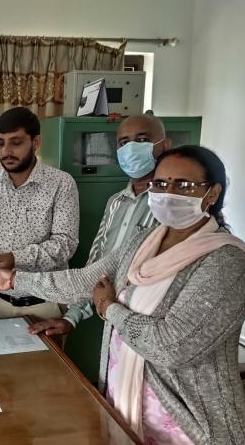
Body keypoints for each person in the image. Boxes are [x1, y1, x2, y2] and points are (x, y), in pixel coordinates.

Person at [0, 145, 245, 444]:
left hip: (191, 425)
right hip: (127, 405)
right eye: (161, 183)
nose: (168, 193)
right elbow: (83, 281)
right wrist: (15, 279)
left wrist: (110, 308)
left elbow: (171, 347)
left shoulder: (225, 262)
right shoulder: (144, 241)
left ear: (212, 193)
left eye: (183, 185)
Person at [29, 114, 169, 338]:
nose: (131, 149)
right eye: (124, 143)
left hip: (151, 326)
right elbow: (96, 269)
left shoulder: (170, 206)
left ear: (165, 145)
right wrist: (71, 318)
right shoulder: (115, 202)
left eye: (142, 140)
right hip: (111, 324)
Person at [0, 106, 79, 320]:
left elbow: (65, 244)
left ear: (36, 142)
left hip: (43, 303)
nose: (6, 151)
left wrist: (16, 258)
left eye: (16, 142)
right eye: (0, 143)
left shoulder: (61, 184)